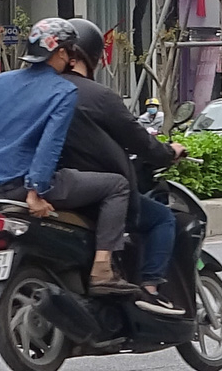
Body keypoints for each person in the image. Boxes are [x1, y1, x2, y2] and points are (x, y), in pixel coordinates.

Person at [0, 16, 136, 296]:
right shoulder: (63, 90)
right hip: (26, 188)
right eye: (69, 52)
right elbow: (50, 145)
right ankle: (103, 269)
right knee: (117, 185)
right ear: (59, 53)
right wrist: (36, 190)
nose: (71, 59)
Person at [61, 19, 187, 317]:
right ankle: (151, 289)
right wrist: (169, 152)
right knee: (162, 219)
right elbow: (140, 141)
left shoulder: (34, 92)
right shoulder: (98, 96)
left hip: (39, 188)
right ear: (93, 56)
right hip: (89, 195)